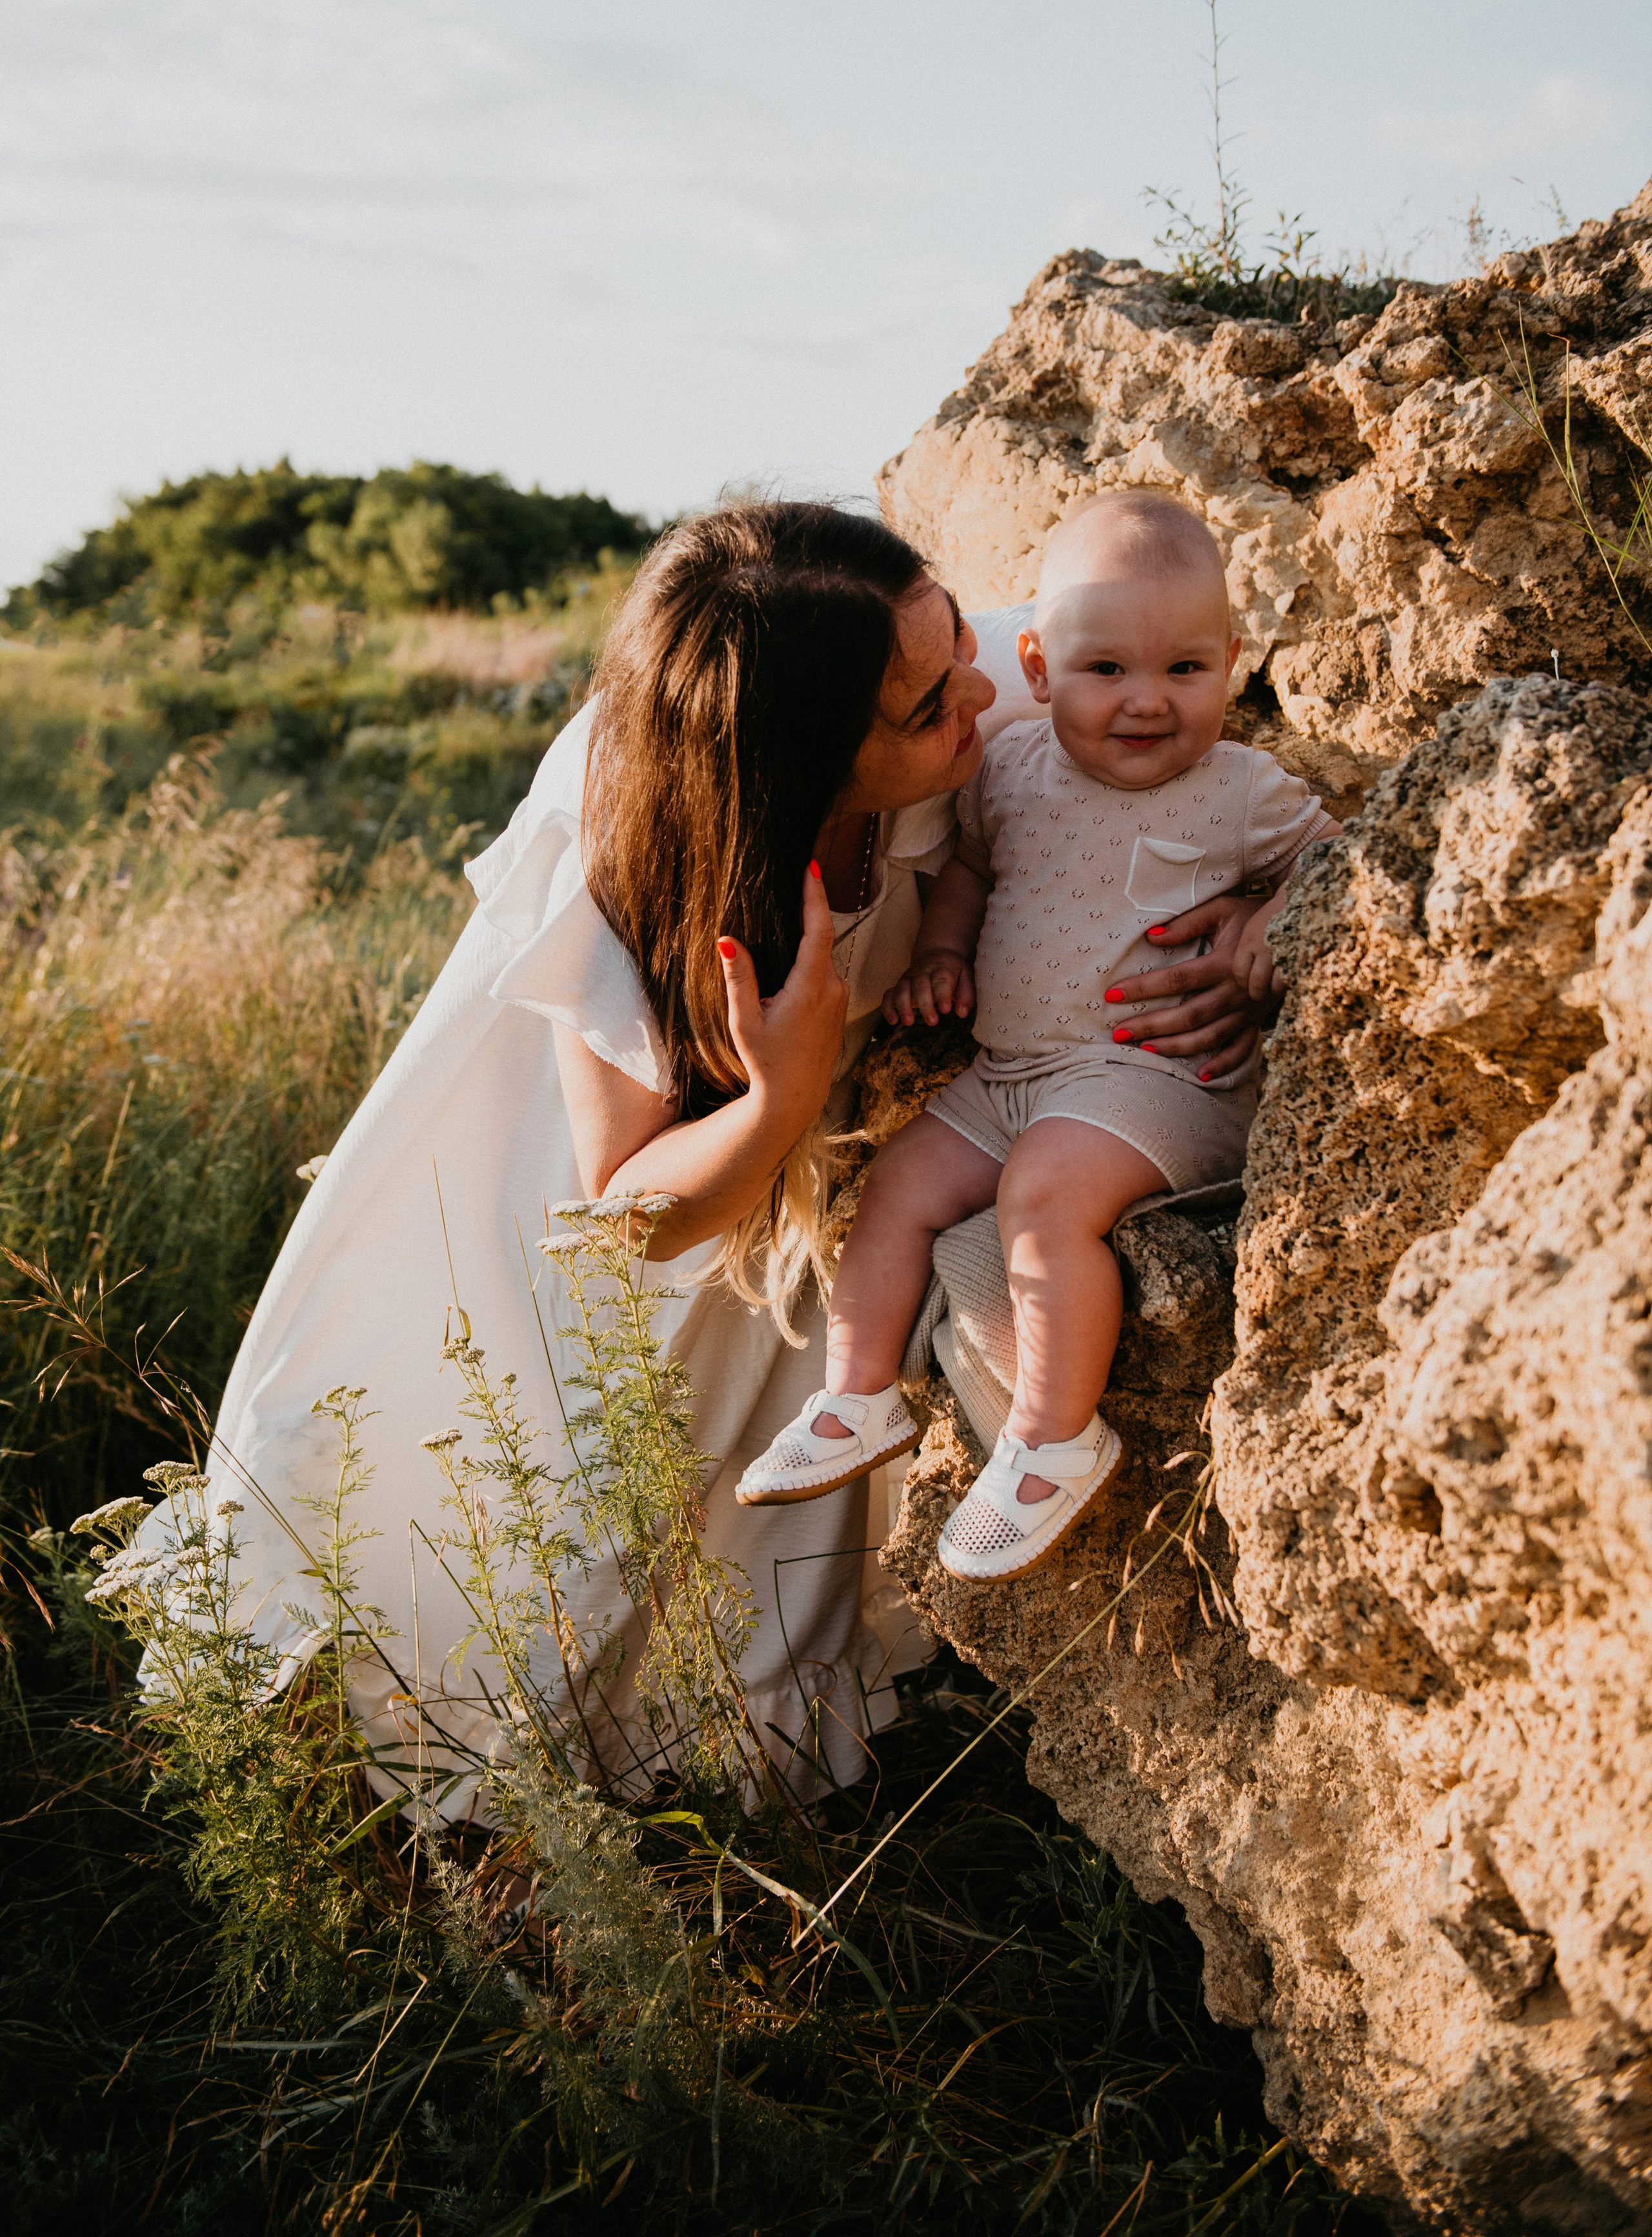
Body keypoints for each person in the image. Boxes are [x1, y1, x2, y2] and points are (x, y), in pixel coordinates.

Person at [152, 499, 1267, 1805]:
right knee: (526, 1520)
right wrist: (780, 1093)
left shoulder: (996, 684)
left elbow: (1173, 732)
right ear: (803, 769)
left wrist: (1244, 906)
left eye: (958, 634)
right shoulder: (627, 848)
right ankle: (483, 1825)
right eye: (923, 704)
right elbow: (630, 1212)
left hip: (798, 1191)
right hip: (596, 1192)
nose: (978, 684)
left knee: (749, 1526)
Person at [736, 491, 1337, 1586]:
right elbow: (968, 873)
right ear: (1038, 663)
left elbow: (1336, 860)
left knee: (1044, 1198)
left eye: (1186, 670)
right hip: (1011, 1071)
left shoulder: (1243, 792)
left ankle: (1053, 1441)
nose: (1147, 702)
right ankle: (856, 1396)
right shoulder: (1008, 767)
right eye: (1106, 670)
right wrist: (945, 959)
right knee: (903, 1183)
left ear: (1234, 662)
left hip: (1154, 1082)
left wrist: (1263, 915)